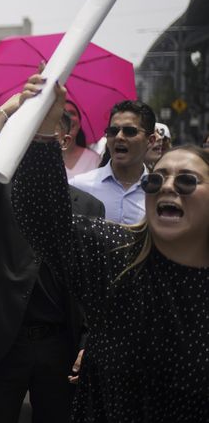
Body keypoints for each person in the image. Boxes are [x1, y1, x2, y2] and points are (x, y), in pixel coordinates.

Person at [12, 75, 209, 422]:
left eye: (186, 181)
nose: (167, 188)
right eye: (156, 179)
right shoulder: (115, 254)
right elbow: (46, 222)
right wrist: (44, 131)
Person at [0, 91, 104, 423]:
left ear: (62, 139)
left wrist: (90, 341)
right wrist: (4, 113)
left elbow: (91, 283)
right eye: (29, 129)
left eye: (43, 129)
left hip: (58, 346)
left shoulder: (89, 207)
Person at [69, 100, 157, 225]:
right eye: (113, 131)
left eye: (129, 131)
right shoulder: (78, 186)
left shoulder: (158, 192)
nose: (119, 137)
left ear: (151, 140)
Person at [62, 100, 101, 178]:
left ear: (79, 123)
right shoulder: (45, 158)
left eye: (72, 113)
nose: (68, 118)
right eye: (64, 114)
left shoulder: (94, 159)